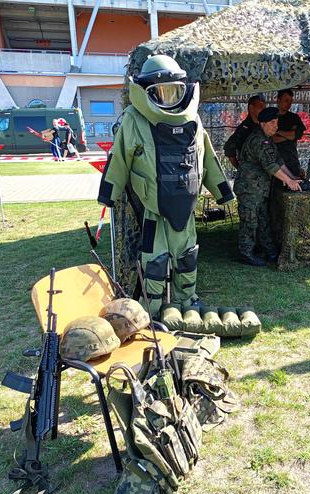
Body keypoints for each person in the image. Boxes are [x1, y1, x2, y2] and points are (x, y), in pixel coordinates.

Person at [98, 54, 234, 317]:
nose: (168, 99)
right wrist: (108, 195)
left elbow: (207, 156)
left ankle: (187, 301)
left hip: (184, 205)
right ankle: (155, 309)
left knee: (187, 257)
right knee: (154, 261)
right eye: (159, 93)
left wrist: (222, 191)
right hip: (153, 209)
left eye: (174, 92)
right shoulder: (134, 119)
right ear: (144, 93)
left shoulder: (192, 119)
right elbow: (119, 158)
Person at [234, 107, 303, 266]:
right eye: (272, 122)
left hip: (259, 189)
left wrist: (293, 177)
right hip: (249, 189)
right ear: (262, 124)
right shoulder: (259, 140)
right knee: (249, 222)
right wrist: (289, 181)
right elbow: (271, 166)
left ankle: (269, 251)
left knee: (264, 221)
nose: (276, 126)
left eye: (276, 122)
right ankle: (246, 253)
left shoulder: (268, 140)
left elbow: (279, 162)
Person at [223, 94, 266, 168]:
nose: (263, 110)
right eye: (261, 107)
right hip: (250, 174)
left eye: (264, 108)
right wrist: (239, 168)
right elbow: (229, 148)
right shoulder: (244, 129)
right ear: (251, 108)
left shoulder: (262, 126)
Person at [272, 89, 306, 178]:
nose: (289, 104)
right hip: (273, 162)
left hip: (291, 162)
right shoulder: (271, 117)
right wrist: (289, 135)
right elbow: (271, 138)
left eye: (291, 101)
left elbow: (297, 135)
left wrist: (278, 132)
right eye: (286, 100)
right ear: (278, 100)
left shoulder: (294, 118)